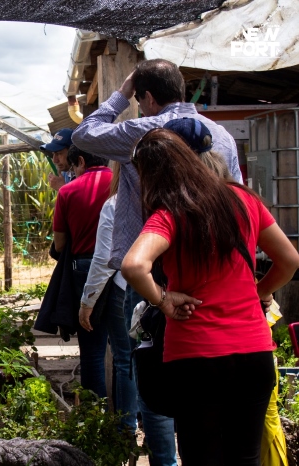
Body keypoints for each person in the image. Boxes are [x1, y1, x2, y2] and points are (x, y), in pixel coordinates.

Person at [72, 59, 242, 466]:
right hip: (213, 267)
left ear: (147, 97)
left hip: (154, 266)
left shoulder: (143, 131)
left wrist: (121, 93)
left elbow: (84, 134)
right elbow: (238, 199)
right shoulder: (220, 135)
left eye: (141, 97)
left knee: (152, 366)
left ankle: (165, 460)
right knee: (210, 365)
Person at [121, 128, 299, 466]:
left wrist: (163, 300)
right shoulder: (244, 199)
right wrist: (256, 293)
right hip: (254, 354)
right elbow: (289, 260)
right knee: (246, 458)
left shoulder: (170, 212)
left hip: (194, 357)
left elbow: (133, 266)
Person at [78, 162, 137, 433]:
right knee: (154, 358)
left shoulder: (115, 204)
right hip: (160, 289)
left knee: (126, 359)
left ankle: (126, 426)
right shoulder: (163, 200)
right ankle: (152, 424)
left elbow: (104, 259)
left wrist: (87, 301)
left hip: (124, 288)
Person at [52, 144, 112, 398]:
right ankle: (128, 416)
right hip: (123, 269)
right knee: (124, 346)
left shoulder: (68, 191)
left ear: (80, 161)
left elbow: (60, 243)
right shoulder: (122, 183)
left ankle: (96, 413)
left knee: (92, 348)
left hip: (85, 267)